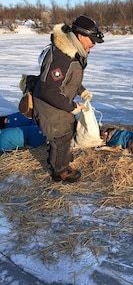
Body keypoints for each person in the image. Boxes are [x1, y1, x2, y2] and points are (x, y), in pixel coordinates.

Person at [33, 14, 104, 183]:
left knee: (67, 131)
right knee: (61, 136)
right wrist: (70, 106)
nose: (93, 44)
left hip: (59, 101)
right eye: (92, 40)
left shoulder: (74, 52)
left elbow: (68, 80)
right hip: (50, 105)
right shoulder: (62, 57)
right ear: (80, 36)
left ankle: (61, 158)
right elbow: (49, 89)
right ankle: (60, 171)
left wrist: (82, 90)